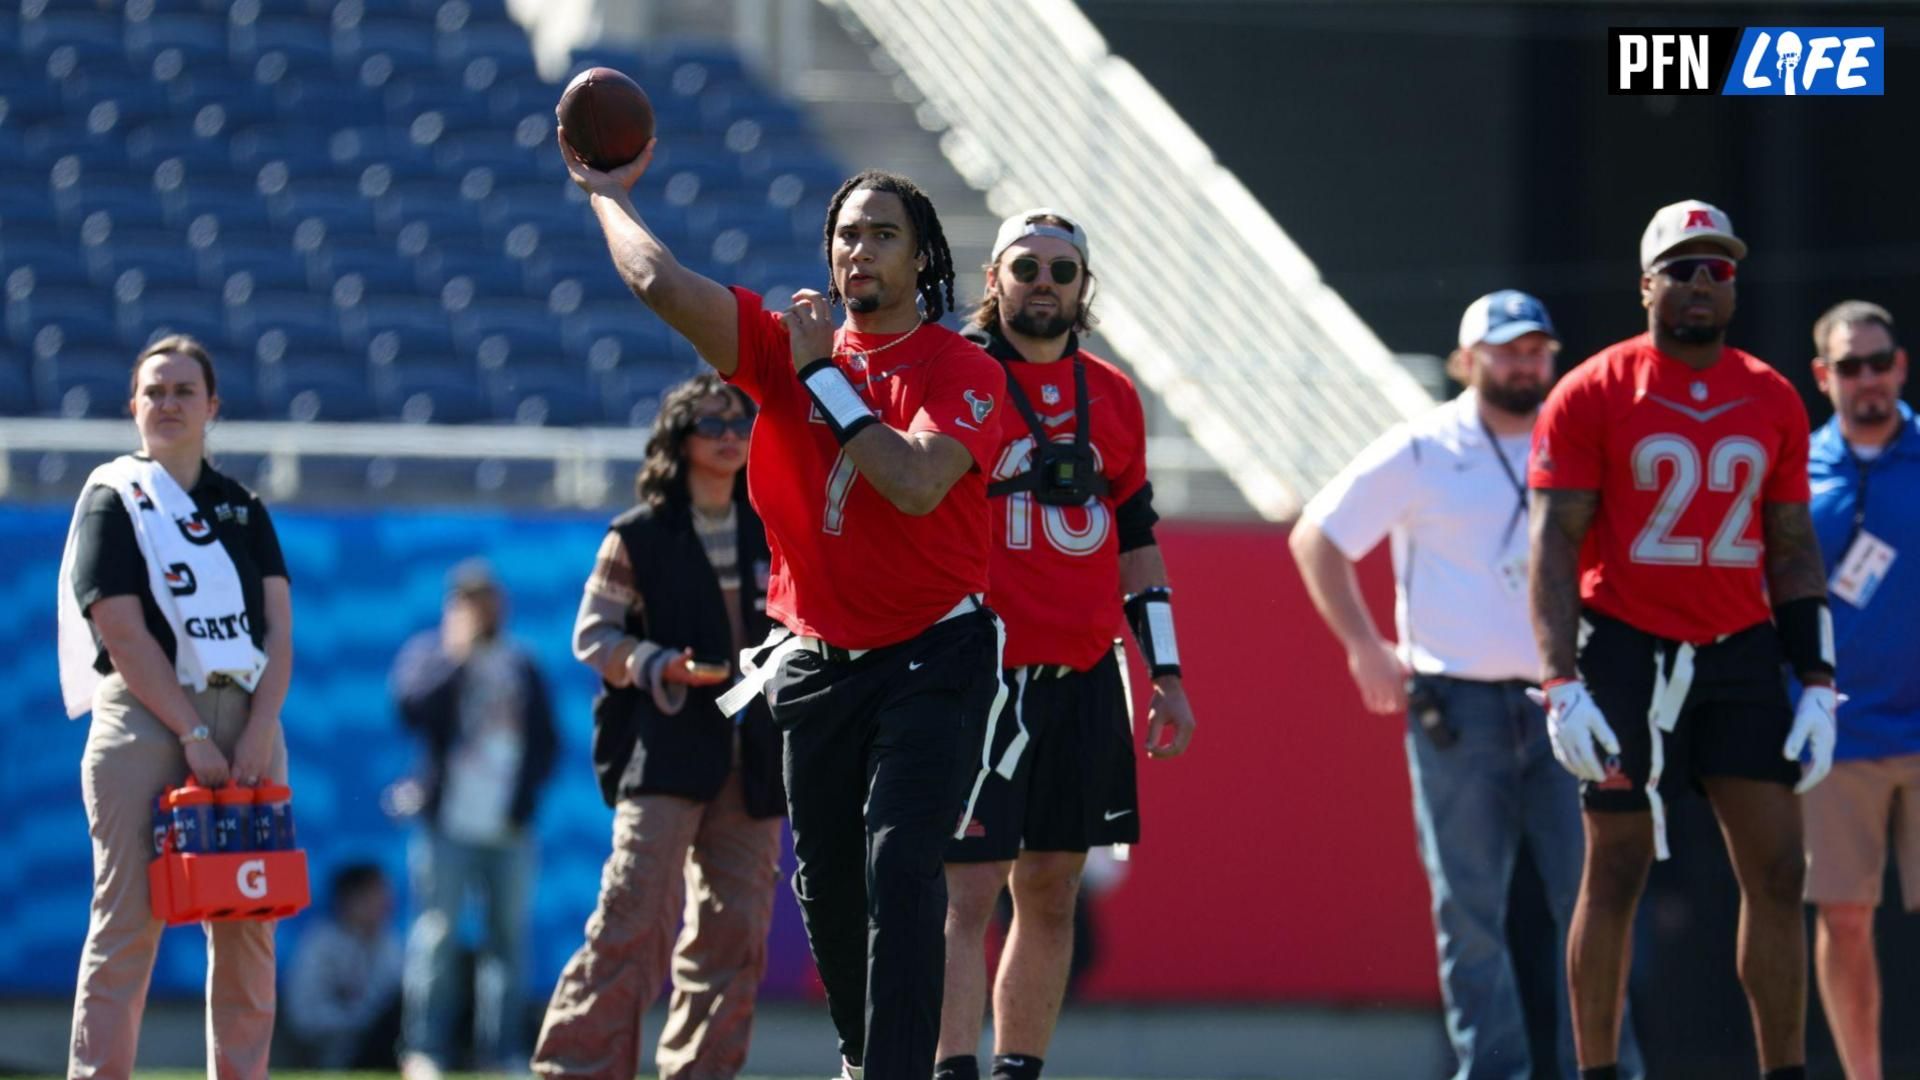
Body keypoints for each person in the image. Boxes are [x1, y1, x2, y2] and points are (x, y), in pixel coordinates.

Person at [559, 124, 1008, 1080]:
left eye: (882, 234)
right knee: (831, 891)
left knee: (901, 866)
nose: (858, 249)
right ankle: (861, 1057)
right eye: (846, 233)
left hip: (935, 651)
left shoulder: (962, 367)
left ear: (921, 254)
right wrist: (605, 192)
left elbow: (915, 483)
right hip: (815, 659)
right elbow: (659, 284)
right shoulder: (780, 346)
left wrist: (820, 377)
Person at [1291, 292, 1640, 1079]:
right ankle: (1493, 1070)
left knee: (1593, 898)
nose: (1523, 363)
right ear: (1465, 360)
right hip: (1458, 704)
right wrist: (1363, 646)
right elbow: (1318, 534)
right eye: (1505, 349)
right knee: (1469, 909)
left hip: (1569, 699)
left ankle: (1610, 1067)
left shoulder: (1581, 435)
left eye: (1535, 350)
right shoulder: (1424, 445)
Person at [1528, 200, 1836, 1080]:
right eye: (1684, 268)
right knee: (1617, 869)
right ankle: (1595, 1072)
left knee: (1779, 870)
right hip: (1626, 646)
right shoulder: (1593, 388)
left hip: (1738, 650)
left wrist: (1815, 675)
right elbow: (1551, 542)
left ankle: (1785, 1071)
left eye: (1719, 269)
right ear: (1646, 284)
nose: (1702, 283)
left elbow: (1791, 544)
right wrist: (1560, 680)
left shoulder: (1771, 393)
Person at [935, 209, 1195, 1080]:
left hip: (1083, 673)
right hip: (980, 672)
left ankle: (1016, 1070)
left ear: (1084, 288)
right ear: (993, 280)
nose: (1043, 284)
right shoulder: (955, 375)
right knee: (966, 890)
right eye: (1026, 268)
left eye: (1062, 270)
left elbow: (1136, 532)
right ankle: (947, 1067)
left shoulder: (1114, 395)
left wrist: (1166, 669)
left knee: (1049, 887)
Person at [533, 373, 786, 1079]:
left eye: (742, 424)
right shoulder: (637, 533)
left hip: (758, 755)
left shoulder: (775, 524)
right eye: (713, 424)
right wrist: (659, 664)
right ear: (678, 439)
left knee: (736, 932)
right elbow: (592, 636)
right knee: (632, 917)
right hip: (666, 748)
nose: (732, 436)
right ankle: (575, 1071)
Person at [55, 334, 295, 1080]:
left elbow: (280, 630)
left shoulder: (244, 510)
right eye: (153, 390)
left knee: (250, 924)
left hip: (248, 720)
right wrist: (192, 732)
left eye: (183, 390)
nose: (167, 403)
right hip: (146, 721)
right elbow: (119, 628)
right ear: (132, 405)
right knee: (128, 925)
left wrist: (256, 730)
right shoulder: (114, 496)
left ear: (212, 407)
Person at [1801, 301, 1918, 1080]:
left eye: (1880, 362)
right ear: (1823, 376)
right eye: (1851, 366)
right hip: (1841, 733)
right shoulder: (1796, 471)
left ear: (1900, 366)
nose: (1868, 378)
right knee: (1845, 919)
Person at [391, 559, 558, 1078]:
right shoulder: (431, 656)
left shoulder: (521, 662)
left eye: (486, 599)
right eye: (467, 600)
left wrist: (526, 799)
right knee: (436, 937)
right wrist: (457, 655)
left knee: (507, 942)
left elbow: (548, 741)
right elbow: (411, 709)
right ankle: (424, 1049)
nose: (479, 609)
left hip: (509, 828)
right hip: (449, 824)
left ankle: (500, 1050)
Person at [284, 862, 405, 1071]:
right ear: (349, 900)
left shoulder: (390, 943)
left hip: (389, 1048)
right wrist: (362, 1020)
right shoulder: (321, 944)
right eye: (374, 894)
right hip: (339, 1052)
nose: (385, 903)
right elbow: (304, 1016)